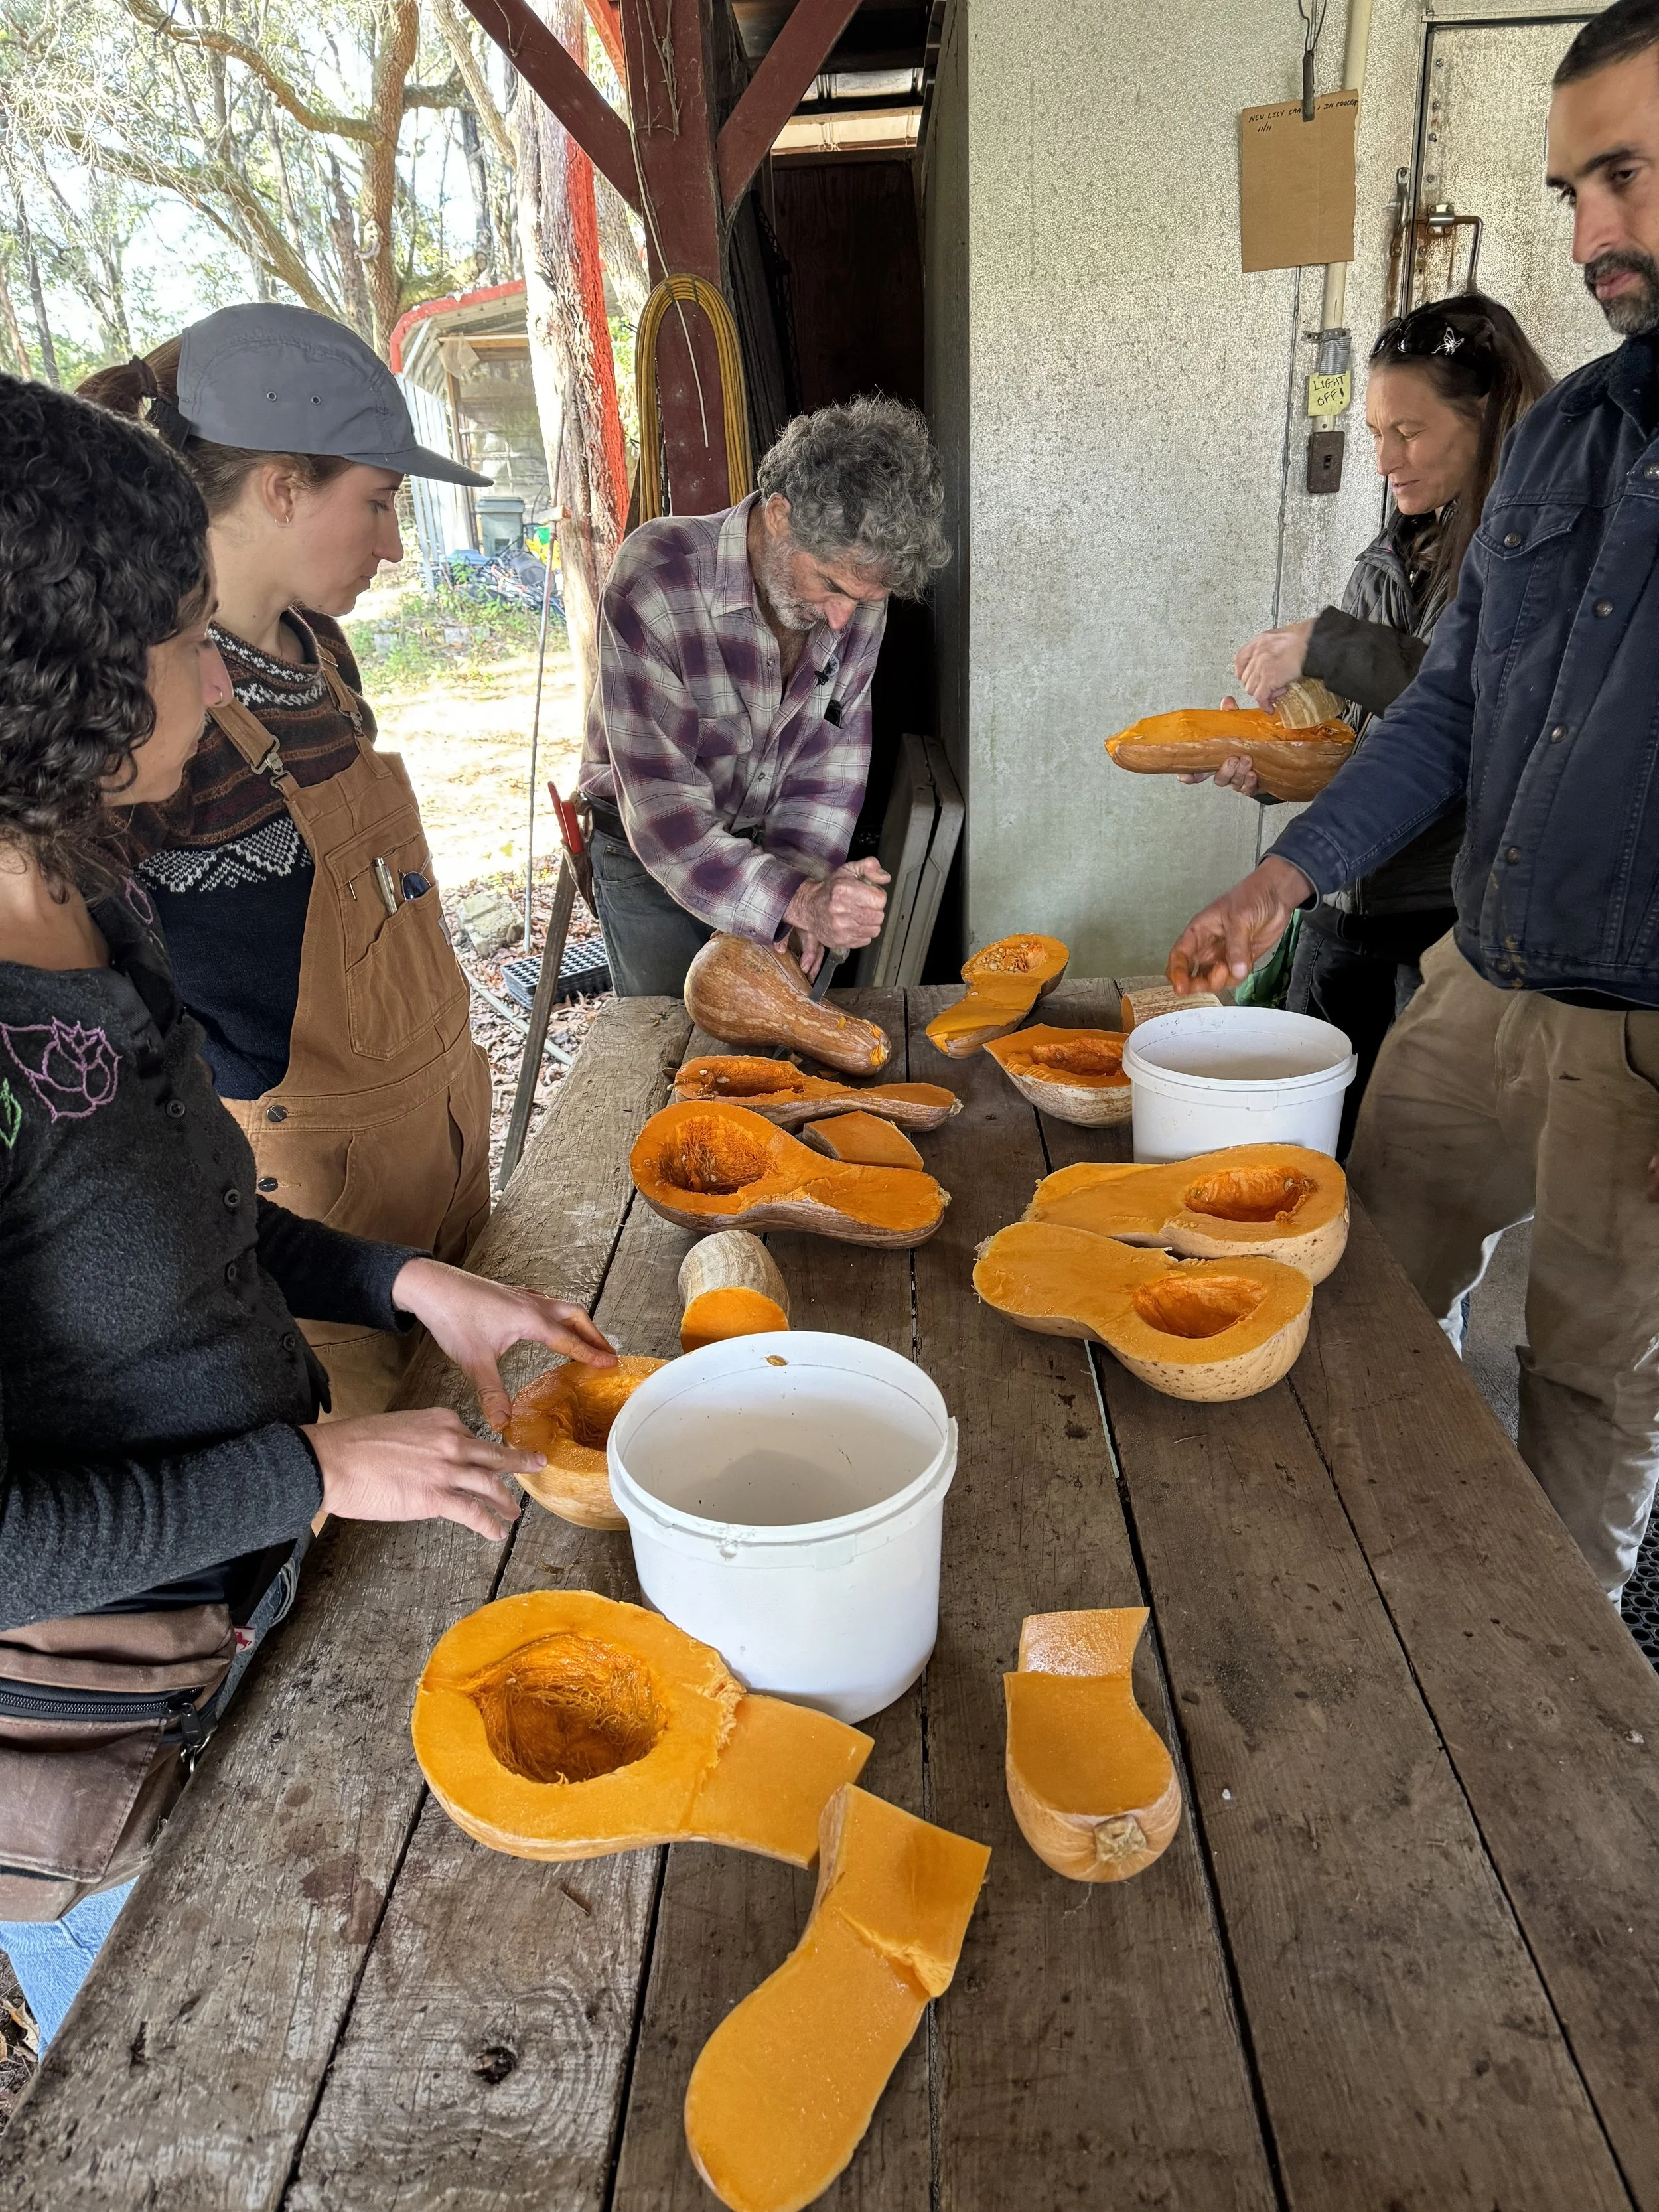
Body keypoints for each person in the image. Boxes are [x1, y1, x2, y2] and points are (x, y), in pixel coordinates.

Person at [0, 375, 613, 2040]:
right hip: (92, 1766)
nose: (217, 676)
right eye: (184, 640)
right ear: (52, 669)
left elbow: (200, 1212)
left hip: (245, 1615)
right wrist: (318, 1464)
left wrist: (409, 1286)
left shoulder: (84, 895)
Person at [1166, 0, 1659, 1605]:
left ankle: (1559, 1688)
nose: (1592, 233)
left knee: (1588, 1380)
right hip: (1480, 970)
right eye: (1574, 191)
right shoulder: (1575, 435)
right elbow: (1450, 702)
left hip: (1642, 1035)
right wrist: (1285, 876)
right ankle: (1354, 1568)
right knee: (1361, 1259)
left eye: (1629, 178)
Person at [79, 305, 495, 1419]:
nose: (395, 543)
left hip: (441, 1147)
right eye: (378, 502)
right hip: (313, 1220)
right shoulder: (153, 705)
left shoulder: (322, 648)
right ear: (278, 486)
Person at [1182, 297, 1551, 1156]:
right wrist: (1269, 767)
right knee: (1305, 1160)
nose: (1383, 458)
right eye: (1375, 431)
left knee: (1411, 1190)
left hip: (1438, 934)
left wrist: (1330, 643)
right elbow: (1353, 743)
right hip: (1336, 919)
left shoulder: (1535, 567)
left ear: (1488, 418)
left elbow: (1476, 712)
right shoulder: (1386, 561)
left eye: (1409, 432)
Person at [579, 396, 950, 995]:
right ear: (779, 516)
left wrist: (808, 893)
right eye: (829, 585)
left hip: (768, 843)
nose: (841, 619)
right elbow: (664, 815)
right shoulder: (655, 581)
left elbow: (828, 775)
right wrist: (798, 900)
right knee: (670, 1048)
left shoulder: (852, 606)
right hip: (646, 845)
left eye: (864, 600)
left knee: (770, 1044)